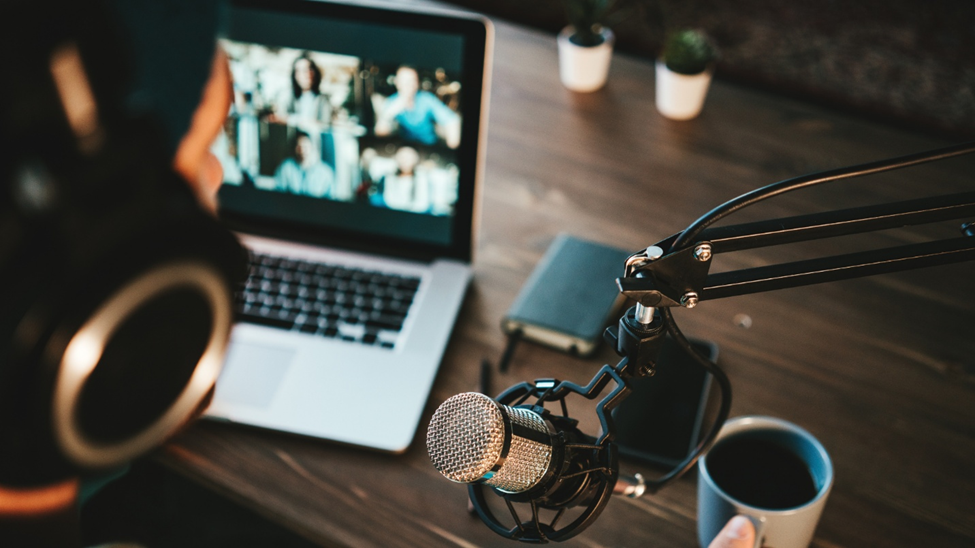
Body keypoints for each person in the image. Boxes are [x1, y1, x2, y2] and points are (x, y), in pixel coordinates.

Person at [374, 65, 461, 149]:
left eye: (412, 80)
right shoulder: (391, 102)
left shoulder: (426, 99)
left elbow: (452, 120)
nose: (408, 85)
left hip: (428, 146)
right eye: (404, 81)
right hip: (405, 147)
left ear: (417, 83)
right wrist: (390, 113)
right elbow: (380, 133)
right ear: (397, 83)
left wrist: (452, 148)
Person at [272, 52, 332, 131]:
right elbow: (281, 117)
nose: (307, 74)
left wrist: (292, 120)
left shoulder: (323, 99)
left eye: (310, 69)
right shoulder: (289, 97)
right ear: (295, 75)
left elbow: (324, 126)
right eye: (302, 71)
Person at [273, 130, 336, 198]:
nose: (302, 150)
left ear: (312, 147)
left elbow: (331, 199)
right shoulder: (285, 168)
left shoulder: (326, 172)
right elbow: (278, 193)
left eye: (305, 146)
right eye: (299, 147)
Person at [370, 146, 430, 213]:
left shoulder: (422, 178)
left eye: (408, 157)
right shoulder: (389, 177)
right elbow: (389, 200)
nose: (404, 161)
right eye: (402, 157)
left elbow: (422, 205)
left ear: (415, 159)